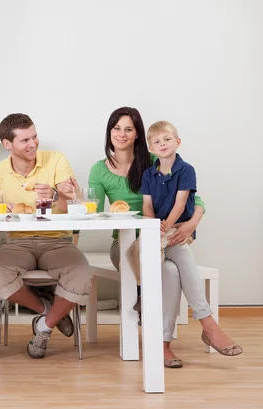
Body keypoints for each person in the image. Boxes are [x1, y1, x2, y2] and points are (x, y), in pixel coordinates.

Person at [88, 107, 238, 367]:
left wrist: (190, 225)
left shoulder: (154, 158)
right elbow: (94, 211)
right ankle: (208, 324)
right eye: (116, 128)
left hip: (164, 239)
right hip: (125, 244)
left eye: (128, 129)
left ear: (138, 134)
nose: (121, 134)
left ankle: (163, 345)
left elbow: (195, 199)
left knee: (170, 270)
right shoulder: (99, 170)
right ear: (109, 132)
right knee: (177, 257)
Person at [0, 113, 93, 359]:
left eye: (34, 137)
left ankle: (44, 327)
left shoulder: (56, 161)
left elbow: (73, 206)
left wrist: (56, 195)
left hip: (57, 240)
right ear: (7, 144)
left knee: (81, 274)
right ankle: (49, 309)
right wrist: (0, 211)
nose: (33, 144)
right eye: (24, 140)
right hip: (16, 241)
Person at [140, 120, 242, 366]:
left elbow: (179, 203)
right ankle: (207, 326)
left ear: (178, 141)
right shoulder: (148, 174)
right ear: (150, 148)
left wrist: (165, 226)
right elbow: (146, 205)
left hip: (174, 233)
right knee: (174, 268)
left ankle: (170, 341)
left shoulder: (186, 170)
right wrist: (154, 227)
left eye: (167, 139)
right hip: (155, 233)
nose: (162, 144)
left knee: (177, 262)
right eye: (157, 141)